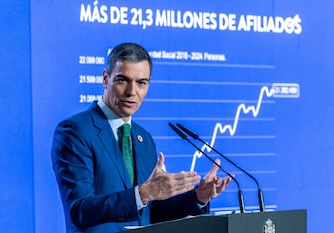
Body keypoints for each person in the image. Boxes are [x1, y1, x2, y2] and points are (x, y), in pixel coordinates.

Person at [51, 42, 232, 233]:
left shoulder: (143, 138)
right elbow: (80, 210)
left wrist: (197, 197)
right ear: (106, 79)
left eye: (141, 83)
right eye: (122, 80)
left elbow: (148, 214)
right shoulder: (75, 131)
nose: (132, 92)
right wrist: (143, 192)